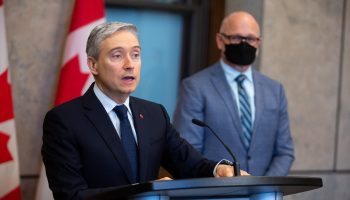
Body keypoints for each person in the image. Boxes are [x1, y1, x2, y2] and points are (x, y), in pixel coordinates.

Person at [41, 21, 247, 200]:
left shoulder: (154, 114)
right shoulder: (64, 121)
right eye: (117, 56)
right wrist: (144, 192)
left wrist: (218, 169)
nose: (130, 65)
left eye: (136, 55)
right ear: (93, 65)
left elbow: (189, 163)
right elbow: (70, 195)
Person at [173, 11, 294, 176]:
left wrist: (263, 189)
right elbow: (188, 153)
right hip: (215, 194)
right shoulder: (195, 87)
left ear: (258, 43)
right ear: (220, 41)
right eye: (236, 38)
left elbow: (284, 152)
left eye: (250, 39)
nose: (244, 44)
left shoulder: (275, 90)